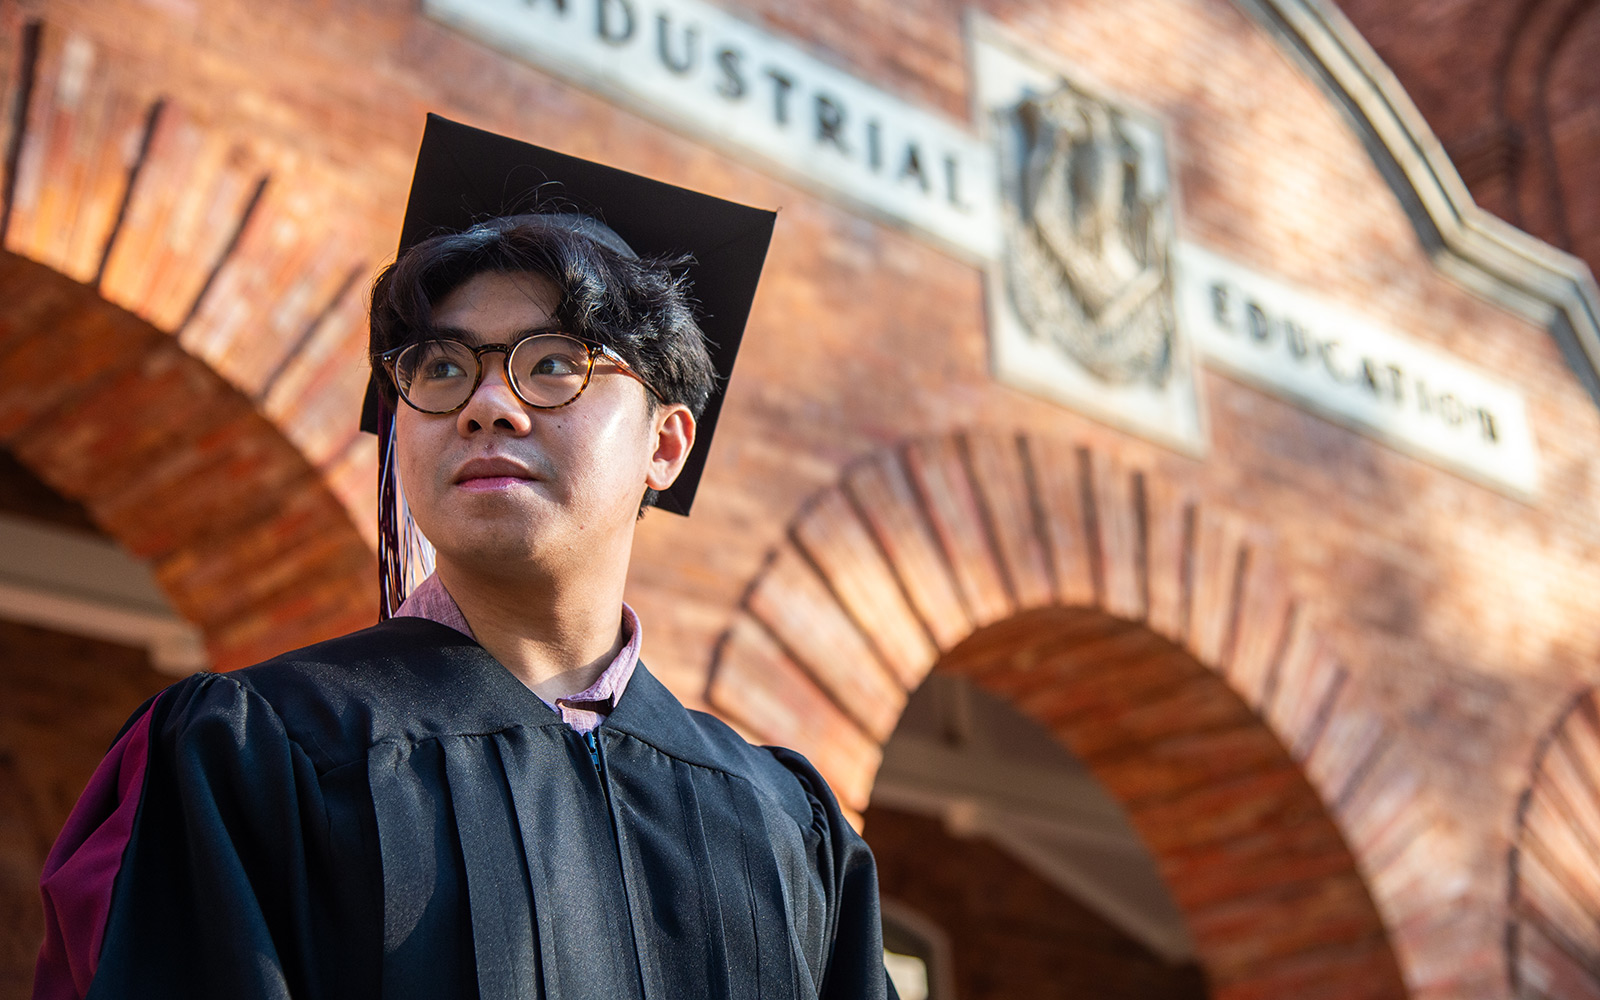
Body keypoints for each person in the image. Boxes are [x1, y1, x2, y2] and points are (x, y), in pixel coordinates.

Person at [33, 114, 897, 1000]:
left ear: (666, 445)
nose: (489, 406)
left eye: (556, 363)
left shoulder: (787, 828)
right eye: (441, 369)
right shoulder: (253, 756)